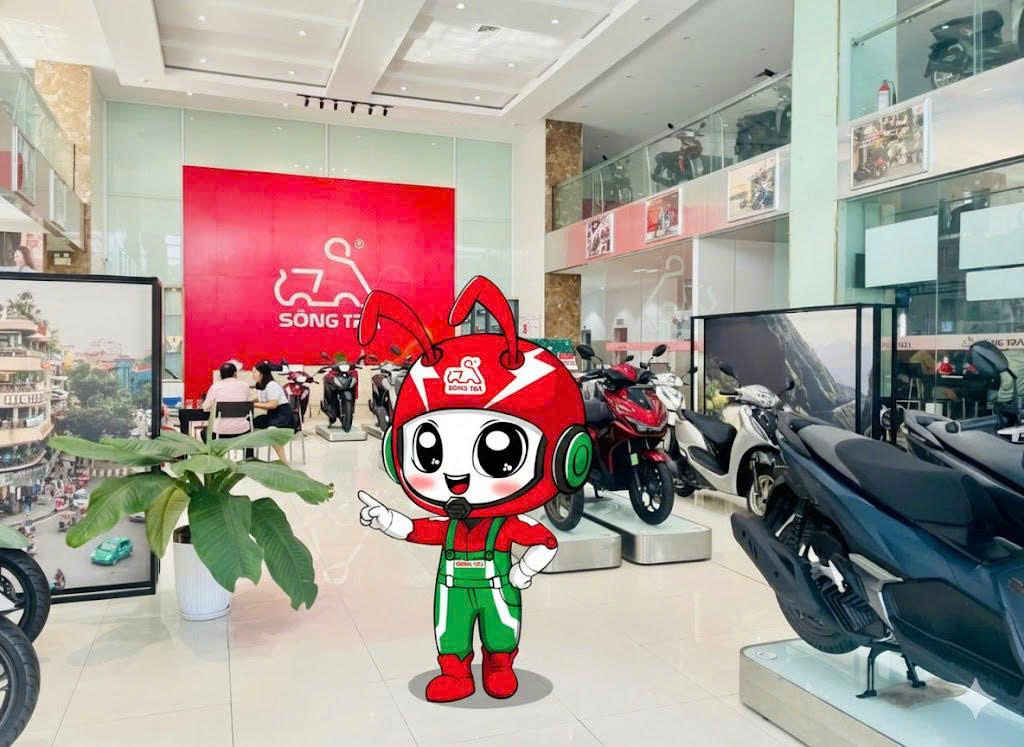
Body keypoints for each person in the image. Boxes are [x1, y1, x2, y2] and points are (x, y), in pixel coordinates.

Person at [252, 362, 294, 464]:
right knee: (249, 423)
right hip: (272, 415)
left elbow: (272, 405)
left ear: (262, 373)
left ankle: (284, 462)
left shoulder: (272, 385)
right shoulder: (260, 385)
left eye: (254, 372)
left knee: (272, 431)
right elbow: (260, 399)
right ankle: (250, 456)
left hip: (283, 415)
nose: (252, 374)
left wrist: (253, 405)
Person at [201, 362, 253, 441]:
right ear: (235, 373)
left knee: (203, 432)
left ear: (220, 375)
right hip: (242, 431)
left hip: (220, 432)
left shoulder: (215, 387)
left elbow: (206, 407)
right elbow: (249, 402)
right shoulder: (245, 386)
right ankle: (245, 450)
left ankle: (216, 449)